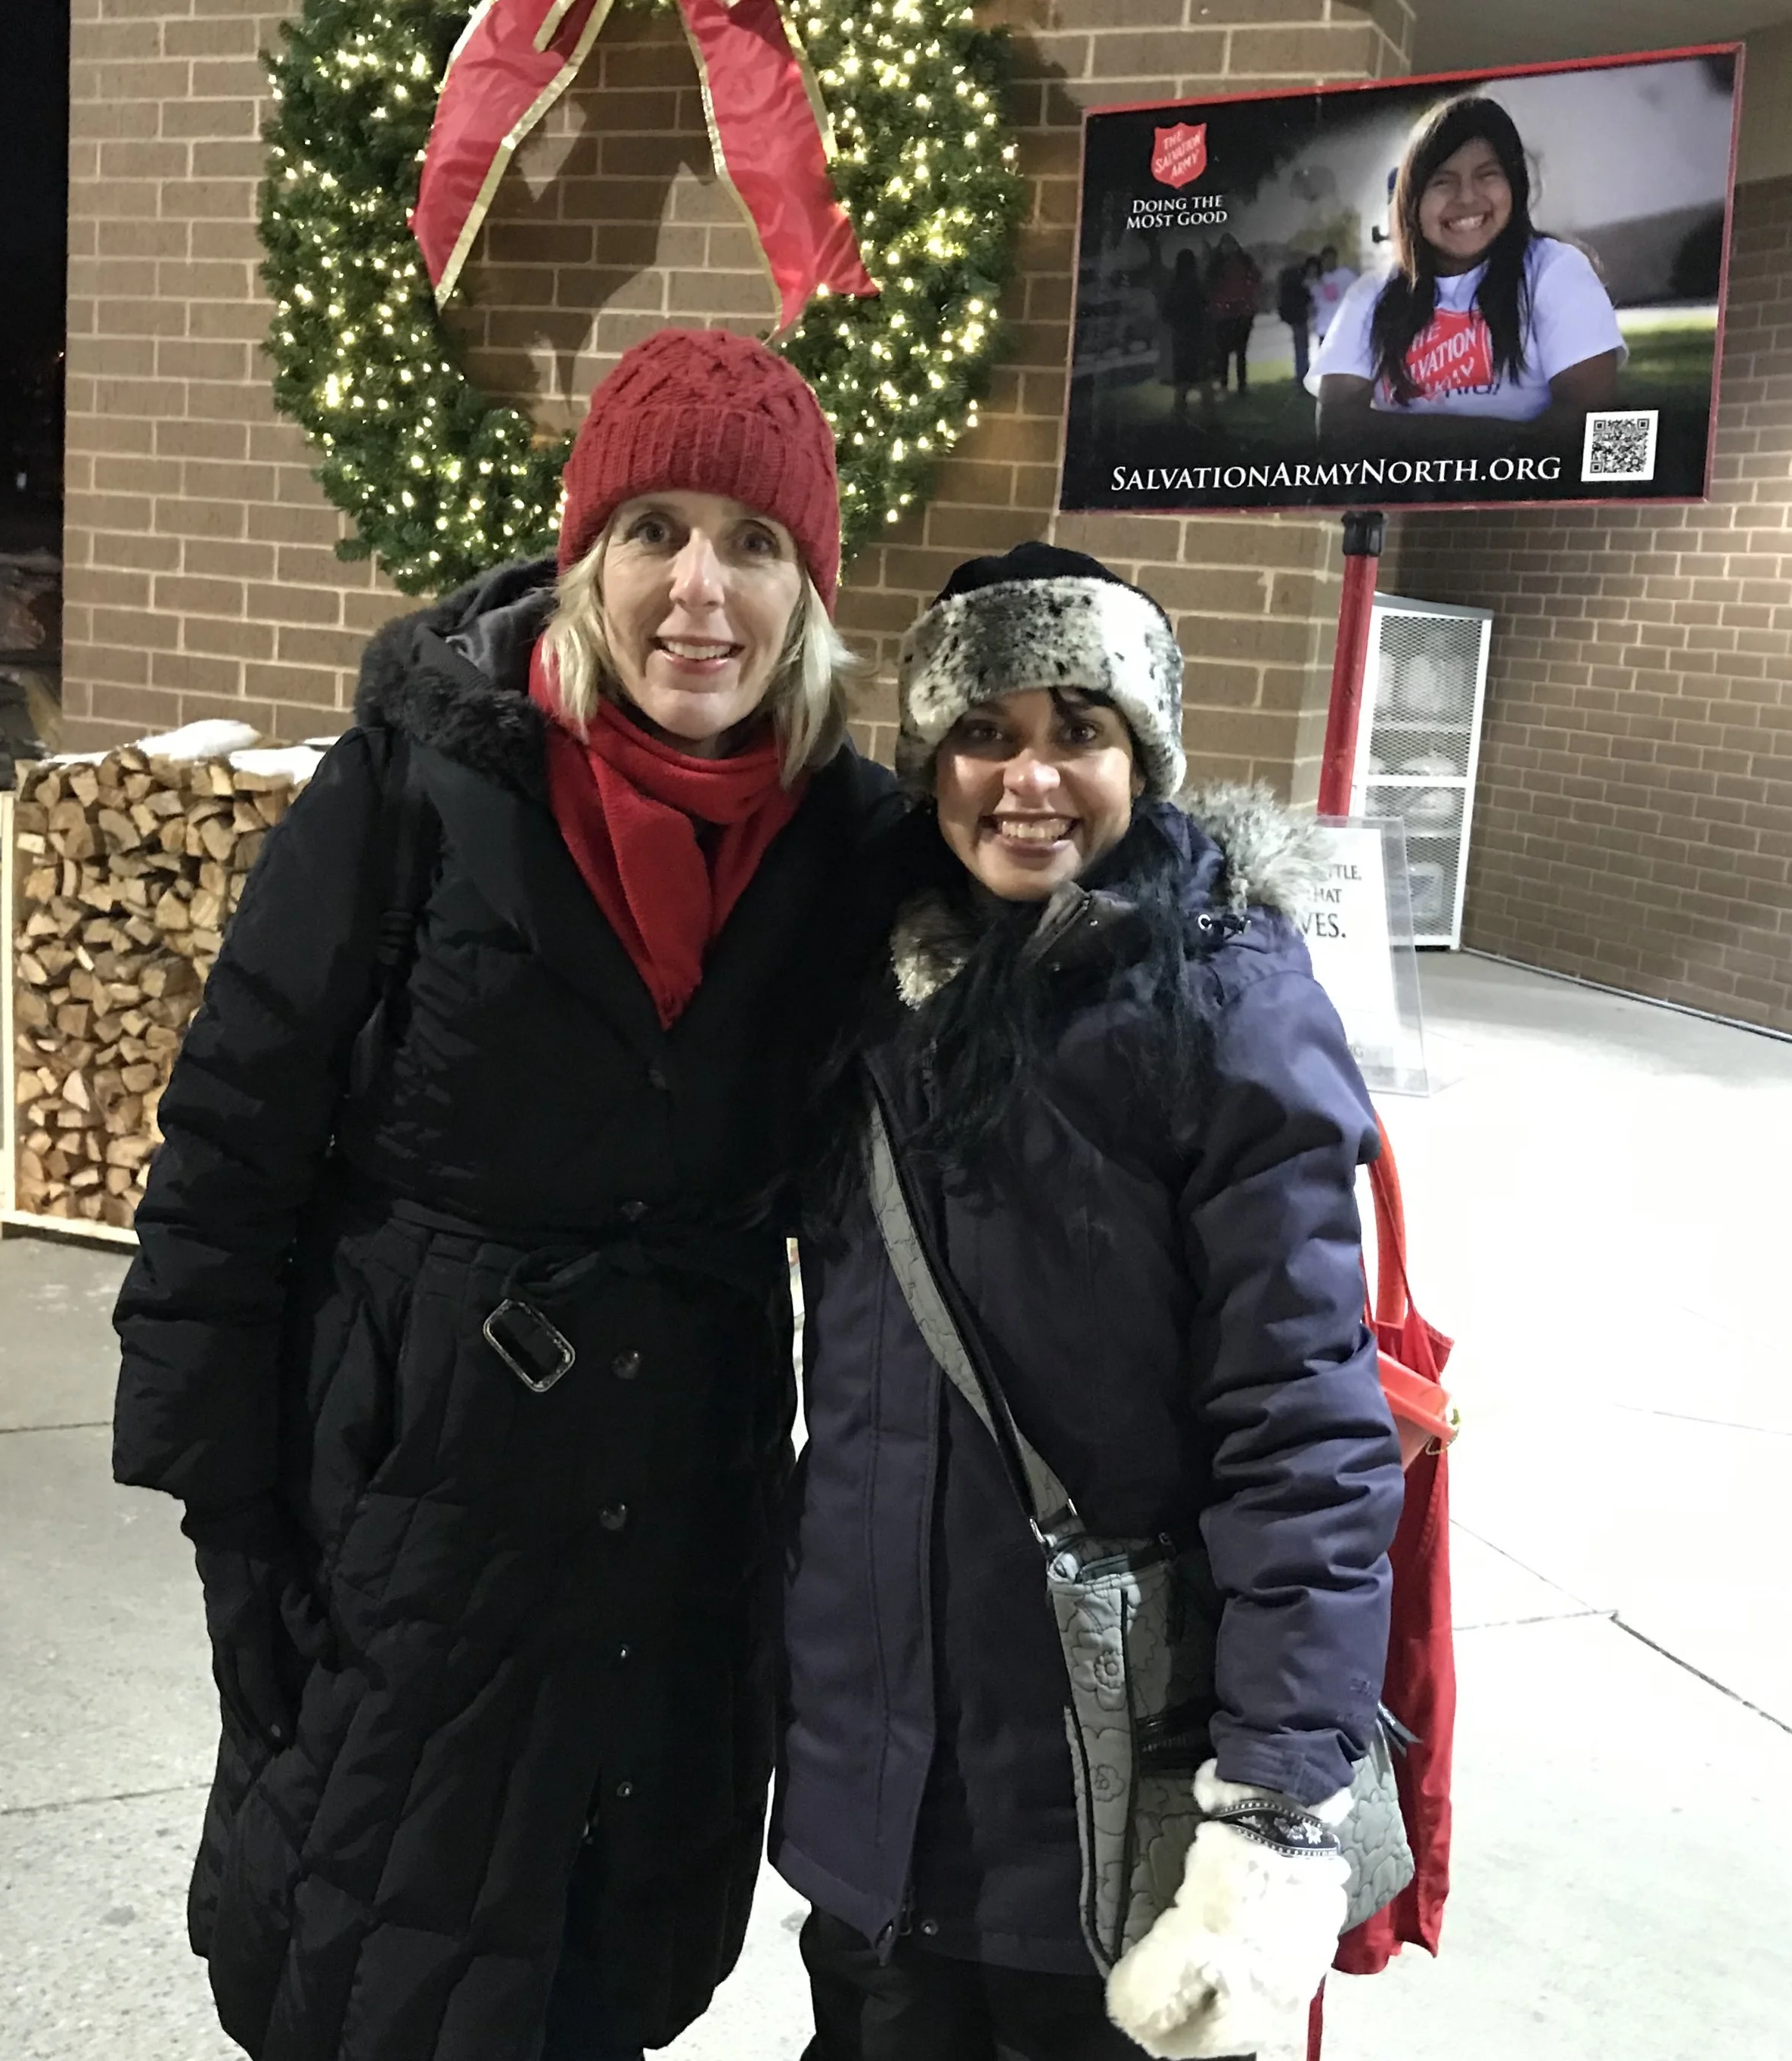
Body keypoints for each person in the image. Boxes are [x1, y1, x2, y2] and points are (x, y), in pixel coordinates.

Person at [110, 327, 896, 2061]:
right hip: (410, 1506)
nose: (703, 587)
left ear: (808, 587)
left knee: (600, 1970)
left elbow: (1054, 930)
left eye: (753, 541)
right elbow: (231, 1141)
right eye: (655, 531)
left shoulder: (848, 845)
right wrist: (231, 1522)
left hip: (678, 1522)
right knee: (375, 1965)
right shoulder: (419, 788)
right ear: (582, 558)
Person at [772, 542, 1405, 2061]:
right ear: (927, 762)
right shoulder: (863, 996)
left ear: (1146, 756)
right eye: (983, 732)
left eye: (1080, 730)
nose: (1028, 778)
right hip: (880, 1802)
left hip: (1111, 1803)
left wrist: (1271, 1811)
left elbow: (1302, 1428)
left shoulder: (1225, 1012)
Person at [1309, 95, 1623, 446]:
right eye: (1442, 181)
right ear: (1412, 201)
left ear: (1515, 184)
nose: (1467, 197)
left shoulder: (1557, 271)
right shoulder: (1370, 296)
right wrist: (1511, 440)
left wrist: (1409, 440)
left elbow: (1593, 426)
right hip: (1399, 500)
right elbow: (1336, 431)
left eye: (1487, 175)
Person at [1154, 247, 1213, 421]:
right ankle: (1209, 417)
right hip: (1198, 338)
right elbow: (1206, 309)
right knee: (1203, 379)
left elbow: (1166, 314)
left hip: (1181, 339)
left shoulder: (1174, 287)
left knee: (1183, 381)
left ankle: (1179, 413)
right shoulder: (1197, 285)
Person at [1206, 232, 1264, 394]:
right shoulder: (1217, 265)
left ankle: (1241, 386)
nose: (1228, 248)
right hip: (1225, 315)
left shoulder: (1243, 262)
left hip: (1240, 313)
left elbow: (1256, 278)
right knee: (1225, 352)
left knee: (1240, 352)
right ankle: (1226, 384)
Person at [1278, 253, 1322, 387]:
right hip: (1301, 317)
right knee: (1302, 348)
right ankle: (1302, 377)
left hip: (1311, 318)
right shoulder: (1300, 283)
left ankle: (1304, 376)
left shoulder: (1305, 282)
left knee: (1302, 347)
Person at [1309, 243, 1358, 344]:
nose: (1329, 262)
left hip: (1342, 326)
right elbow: (1314, 301)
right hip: (1324, 327)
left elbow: (1358, 293)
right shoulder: (1319, 279)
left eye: (1331, 259)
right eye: (1326, 259)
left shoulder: (1346, 275)